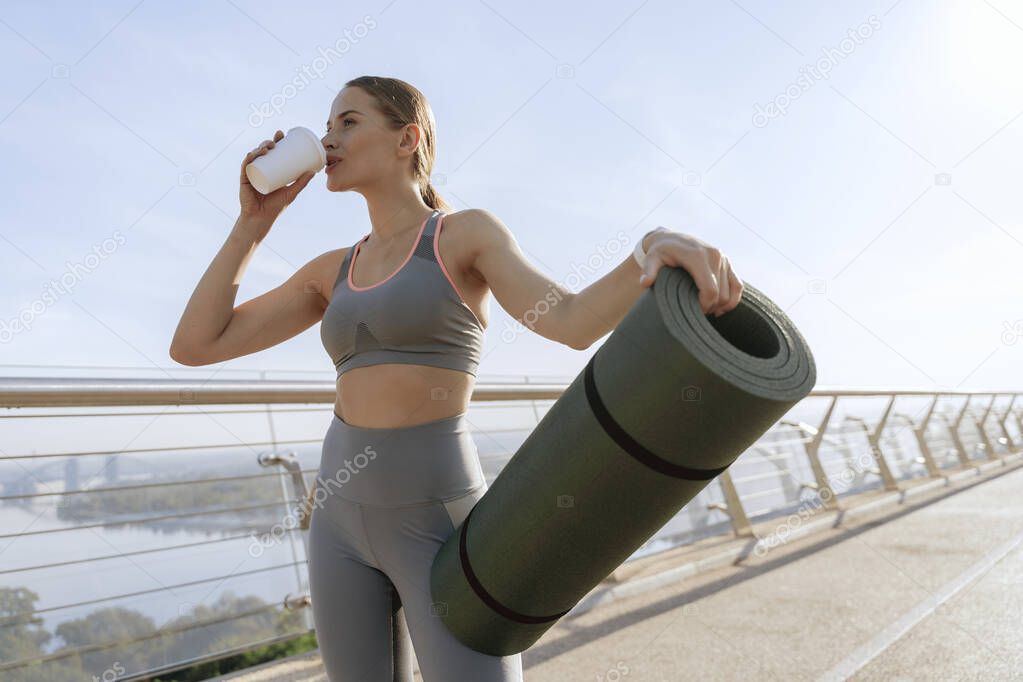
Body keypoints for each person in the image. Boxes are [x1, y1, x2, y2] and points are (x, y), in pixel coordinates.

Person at [169, 74, 743, 681]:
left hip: (438, 522)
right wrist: (251, 225)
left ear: (405, 139)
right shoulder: (331, 271)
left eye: (349, 122)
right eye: (328, 123)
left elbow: (573, 322)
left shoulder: (463, 235)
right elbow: (196, 344)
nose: (328, 137)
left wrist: (650, 250)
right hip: (337, 517)